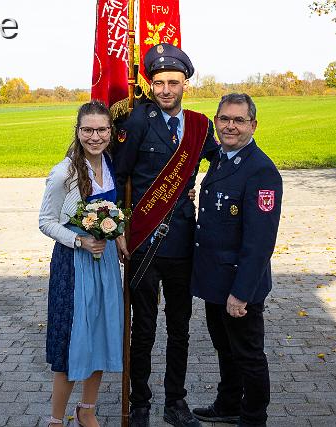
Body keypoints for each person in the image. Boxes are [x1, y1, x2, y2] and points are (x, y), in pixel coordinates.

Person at [114, 43, 217, 427]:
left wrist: (201, 188)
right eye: (158, 83)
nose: (166, 90)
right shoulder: (138, 122)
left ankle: (176, 402)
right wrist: (121, 228)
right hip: (143, 242)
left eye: (173, 82)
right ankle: (139, 401)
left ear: (185, 83)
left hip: (182, 243)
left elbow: (220, 165)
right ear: (151, 85)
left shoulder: (200, 126)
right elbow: (119, 177)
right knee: (143, 327)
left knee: (179, 327)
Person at [190, 93, 283, 427]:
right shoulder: (222, 158)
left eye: (238, 120)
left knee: (248, 355)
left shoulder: (261, 171)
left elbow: (259, 243)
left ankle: (254, 417)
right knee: (225, 349)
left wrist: (242, 293)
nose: (230, 126)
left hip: (239, 284)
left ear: (253, 125)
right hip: (216, 281)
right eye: (224, 119)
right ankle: (229, 404)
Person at [39, 100, 128, 427]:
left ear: (110, 131)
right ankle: (56, 419)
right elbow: (45, 221)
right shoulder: (64, 172)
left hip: (104, 262)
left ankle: (87, 409)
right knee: (72, 338)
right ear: (77, 132)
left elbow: (111, 208)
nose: (95, 136)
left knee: (102, 333)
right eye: (88, 129)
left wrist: (117, 233)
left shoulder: (109, 163)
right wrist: (79, 240)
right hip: (74, 264)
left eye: (101, 129)